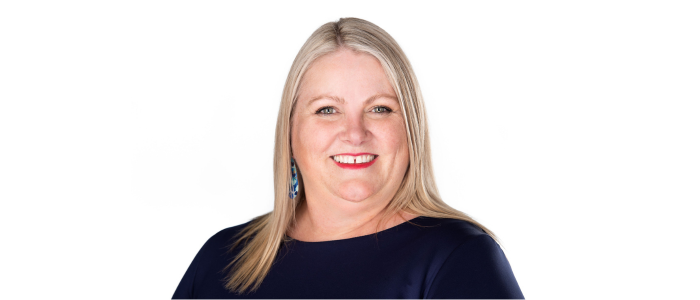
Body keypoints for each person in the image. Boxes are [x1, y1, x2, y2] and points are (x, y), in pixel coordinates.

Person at [173, 17, 524, 299]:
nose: (355, 134)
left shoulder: (460, 258)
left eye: (379, 109)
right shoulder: (222, 259)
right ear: (291, 133)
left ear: (411, 131)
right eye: (327, 109)